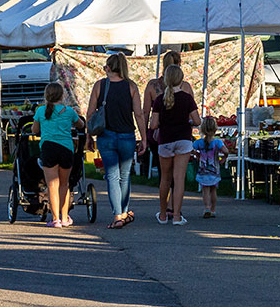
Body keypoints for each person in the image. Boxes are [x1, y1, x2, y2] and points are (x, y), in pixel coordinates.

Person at [86, 53, 147, 230]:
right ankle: (124, 211)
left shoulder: (100, 85)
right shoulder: (131, 86)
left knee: (112, 176)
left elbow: (90, 113)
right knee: (125, 176)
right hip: (127, 136)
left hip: (106, 136)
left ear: (108, 67)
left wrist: (89, 136)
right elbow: (139, 114)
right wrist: (143, 138)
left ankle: (117, 216)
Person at [150, 64, 201, 226]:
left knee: (165, 178)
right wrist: (188, 121)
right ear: (181, 79)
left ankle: (163, 214)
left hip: (165, 140)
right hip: (184, 139)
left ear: (166, 80)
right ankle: (177, 216)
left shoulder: (159, 100)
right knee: (179, 179)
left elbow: (153, 125)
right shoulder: (187, 98)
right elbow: (198, 121)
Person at [142, 51, 194, 204]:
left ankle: (163, 209)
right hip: (182, 134)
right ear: (179, 66)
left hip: (159, 135)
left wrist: (144, 135)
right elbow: (193, 115)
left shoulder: (152, 85)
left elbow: (145, 112)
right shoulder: (185, 87)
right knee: (179, 176)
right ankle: (175, 208)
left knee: (164, 174)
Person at [33, 83, 85, 228]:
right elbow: (80, 125)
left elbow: (35, 129)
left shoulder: (41, 111)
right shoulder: (69, 111)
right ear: (62, 96)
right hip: (66, 149)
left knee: (51, 185)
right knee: (64, 184)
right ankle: (64, 217)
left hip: (48, 148)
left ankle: (55, 218)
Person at [192, 118, 229, 218]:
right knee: (213, 190)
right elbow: (226, 151)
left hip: (203, 170)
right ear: (215, 129)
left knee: (205, 190)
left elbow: (190, 149)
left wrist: (197, 155)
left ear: (202, 129)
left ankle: (207, 207)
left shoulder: (199, 143)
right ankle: (213, 209)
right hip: (214, 170)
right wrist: (223, 158)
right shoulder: (217, 142)